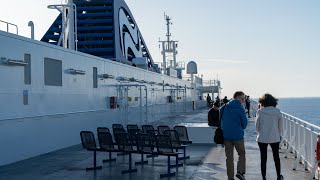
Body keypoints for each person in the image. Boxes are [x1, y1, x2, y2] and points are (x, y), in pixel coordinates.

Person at [255, 93, 284, 180]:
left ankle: (264, 177)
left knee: (263, 158)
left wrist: (262, 132)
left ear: (262, 102)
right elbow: (281, 127)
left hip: (262, 138)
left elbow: (257, 127)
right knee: (276, 157)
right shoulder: (277, 112)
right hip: (274, 137)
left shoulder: (260, 112)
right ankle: (279, 176)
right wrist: (277, 134)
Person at [221, 91, 248, 180]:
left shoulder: (224, 107)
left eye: (244, 99)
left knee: (229, 157)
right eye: (242, 98)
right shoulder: (240, 109)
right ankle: (240, 172)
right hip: (238, 136)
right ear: (236, 97)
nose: (243, 101)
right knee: (241, 153)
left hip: (227, 136)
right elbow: (244, 124)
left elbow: (220, 120)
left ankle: (230, 177)